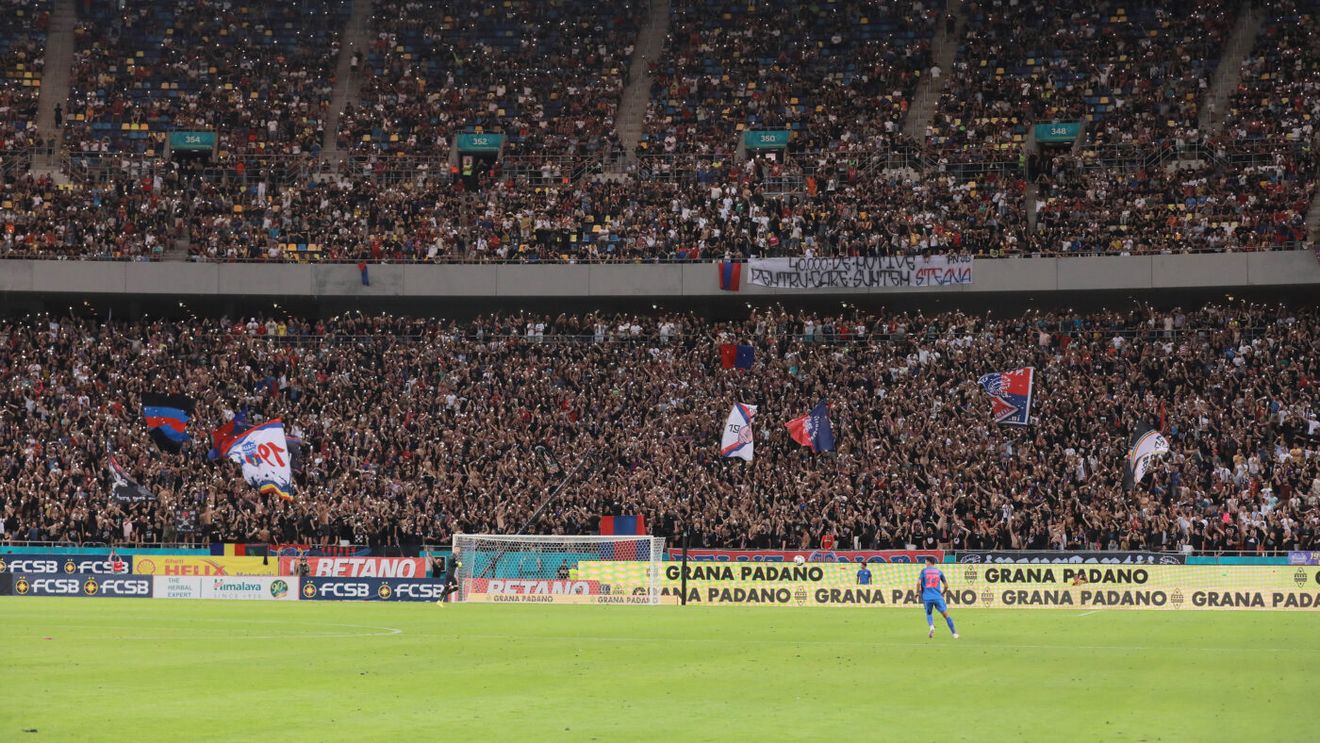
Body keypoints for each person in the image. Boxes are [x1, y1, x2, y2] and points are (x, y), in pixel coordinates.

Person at [918, 556, 958, 639]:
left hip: (927, 597)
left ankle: (931, 626)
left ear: (928, 562)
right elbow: (946, 586)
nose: (925, 563)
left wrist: (917, 592)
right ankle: (954, 634)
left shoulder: (923, 571)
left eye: (925, 561)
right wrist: (942, 593)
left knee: (929, 613)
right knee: (946, 615)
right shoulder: (939, 572)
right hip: (937, 597)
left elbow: (918, 583)